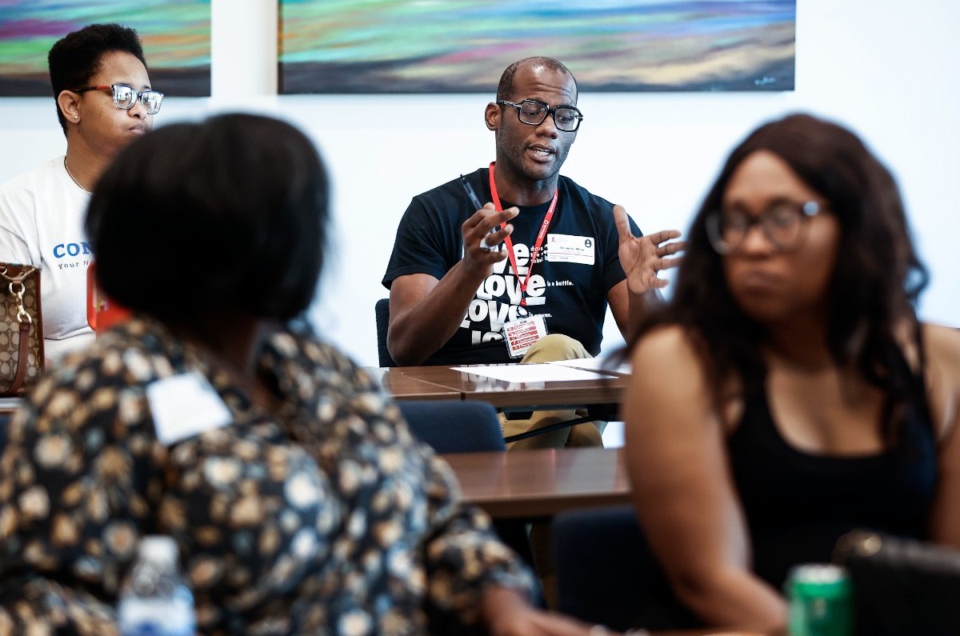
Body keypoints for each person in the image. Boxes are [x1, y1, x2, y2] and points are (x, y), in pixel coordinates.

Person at [0, 113, 608, 636]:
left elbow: (437, 515)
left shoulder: (320, 371)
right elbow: (41, 598)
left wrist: (500, 605)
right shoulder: (99, 393)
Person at [622, 113, 960, 632]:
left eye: (784, 218)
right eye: (736, 221)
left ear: (856, 223)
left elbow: (949, 572)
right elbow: (708, 580)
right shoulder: (680, 359)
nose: (754, 245)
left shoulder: (942, 359)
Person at [383, 56, 682, 449]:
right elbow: (405, 349)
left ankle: (513, 477)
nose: (548, 128)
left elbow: (657, 357)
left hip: (564, 403)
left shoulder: (602, 221)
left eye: (564, 115)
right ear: (494, 116)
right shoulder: (435, 212)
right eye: (532, 110)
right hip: (462, 417)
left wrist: (644, 293)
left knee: (558, 350)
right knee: (582, 439)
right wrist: (470, 270)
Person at [0, 23, 161, 362]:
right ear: (72, 106)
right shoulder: (18, 205)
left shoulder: (175, 199)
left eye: (146, 97)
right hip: (60, 397)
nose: (140, 110)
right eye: (123, 95)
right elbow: (9, 350)